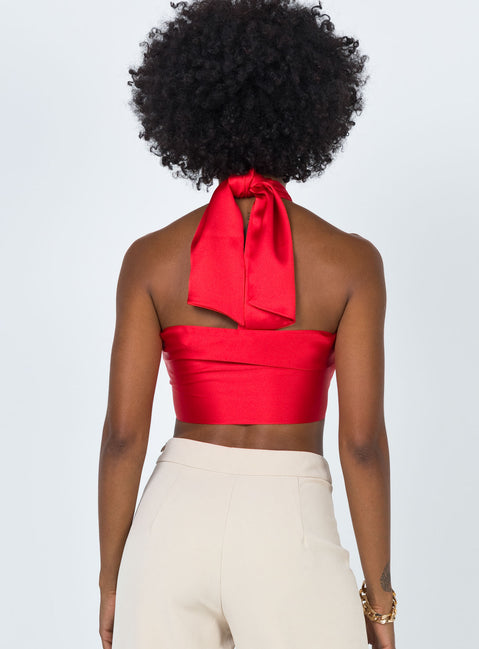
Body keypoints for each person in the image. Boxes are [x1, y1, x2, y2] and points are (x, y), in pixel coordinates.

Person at [98, 1, 397, 648]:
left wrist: (111, 578)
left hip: (170, 521)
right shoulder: (350, 263)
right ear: (312, 112)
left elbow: (123, 437)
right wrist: (380, 603)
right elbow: (362, 444)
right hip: (288, 525)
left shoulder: (149, 259)